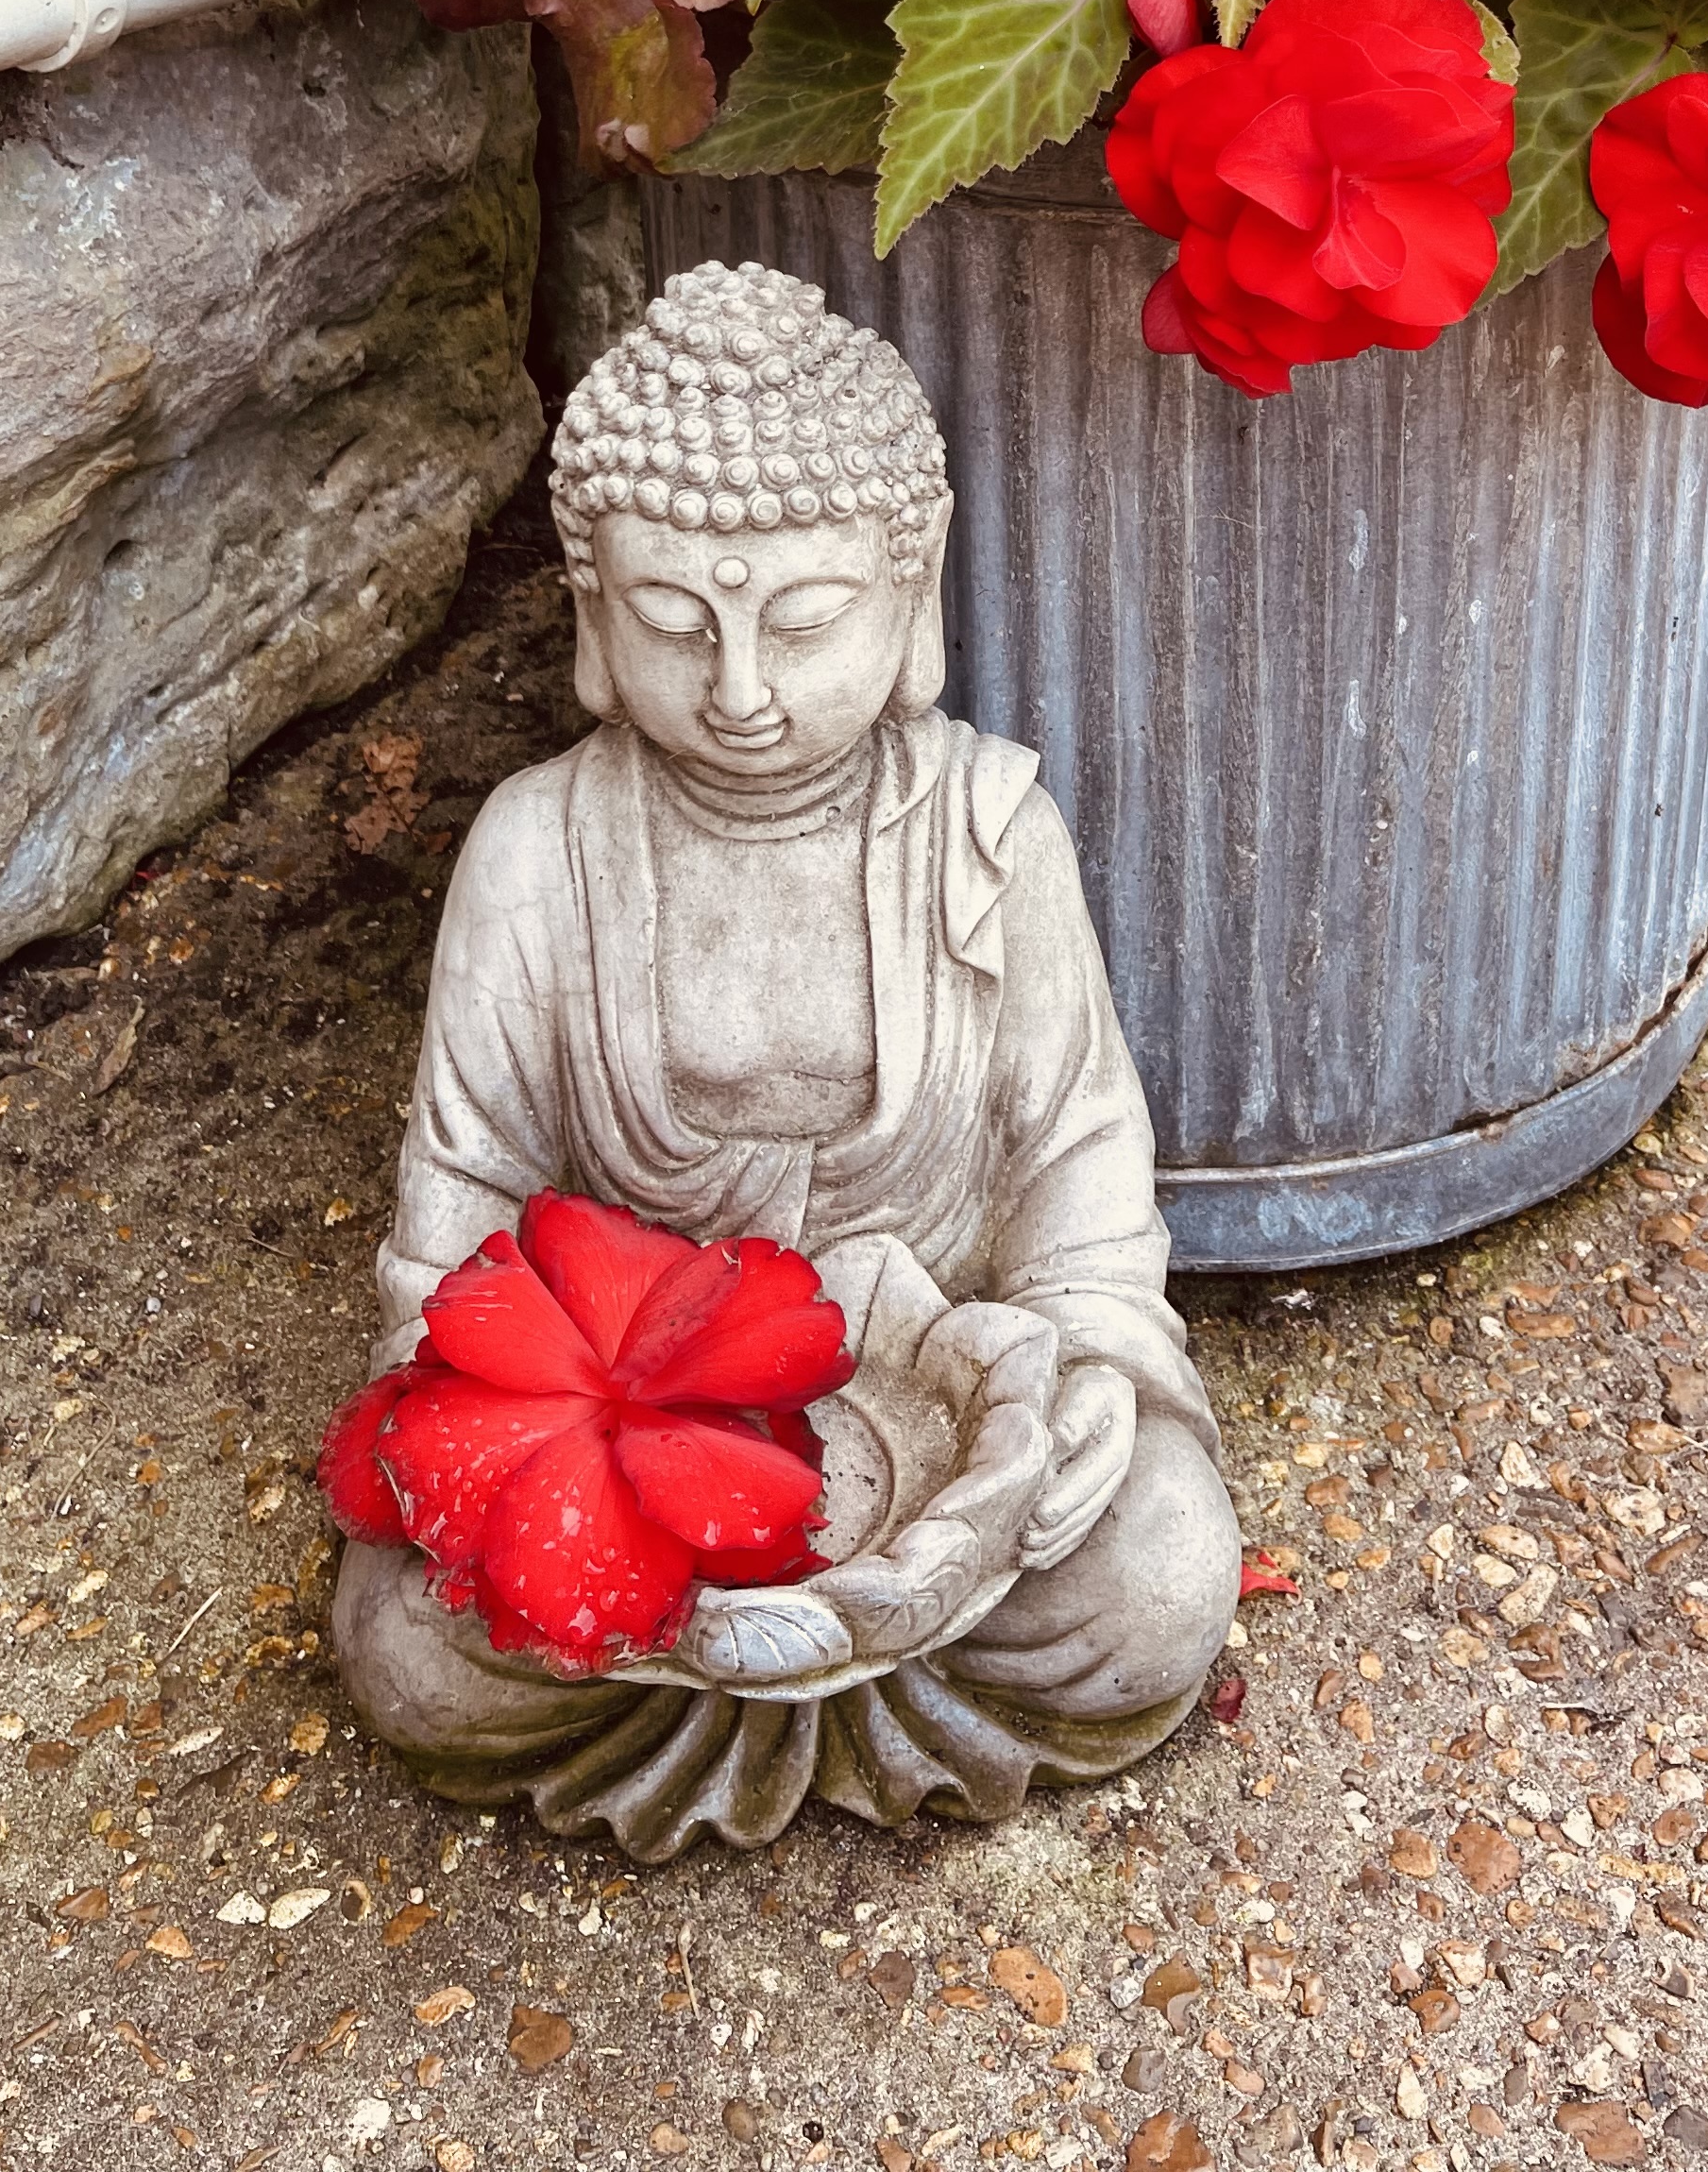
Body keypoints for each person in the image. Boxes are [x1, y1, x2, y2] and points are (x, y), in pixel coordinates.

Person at [332, 258, 1238, 1856]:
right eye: (676, 626)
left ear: (915, 590)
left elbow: (1084, 1185)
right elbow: (458, 1220)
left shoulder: (990, 838)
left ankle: (804, 1710)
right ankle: (778, 1713)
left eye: (803, 623)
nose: (742, 693)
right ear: (594, 618)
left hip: (947, 1409)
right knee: (415, 1650)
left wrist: (1095, 1372)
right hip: (626, 1448)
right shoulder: (538, 850)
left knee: (1157, 1580)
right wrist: (499, 1434)